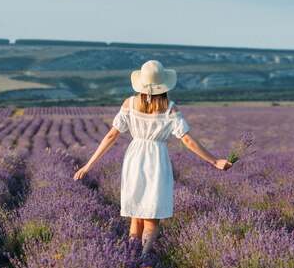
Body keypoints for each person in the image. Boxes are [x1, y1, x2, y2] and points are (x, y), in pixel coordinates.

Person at [73, 60, 232, 256]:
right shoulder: (169, 108)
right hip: (156, 160)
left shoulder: (129, 103)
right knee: (152, 216)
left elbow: (111, 136)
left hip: (134, 157)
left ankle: (132, 257)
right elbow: (188, 141)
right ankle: (144, 258)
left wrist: (89, 165)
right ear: (163, 84)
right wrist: (215, 161)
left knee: (136, 216)